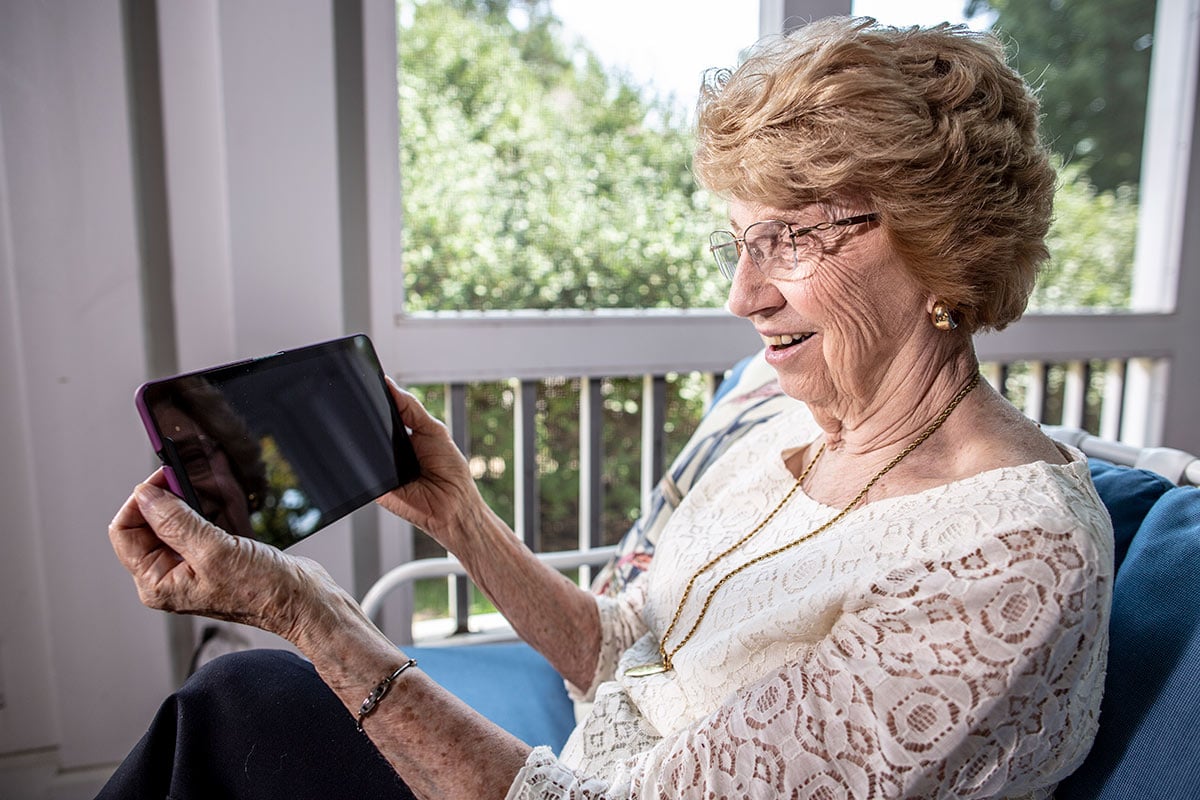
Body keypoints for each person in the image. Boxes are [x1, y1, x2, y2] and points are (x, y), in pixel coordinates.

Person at [102, 17, 1113, 799]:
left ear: (949, 243)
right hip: (576, 763)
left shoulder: (1014, 551)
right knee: (237, 711)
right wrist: (459, 511)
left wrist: (306, 610)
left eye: (792, 238)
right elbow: (627, 646)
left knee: (243, 707)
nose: (744, 294)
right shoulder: (786, 430)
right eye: (739, 241)